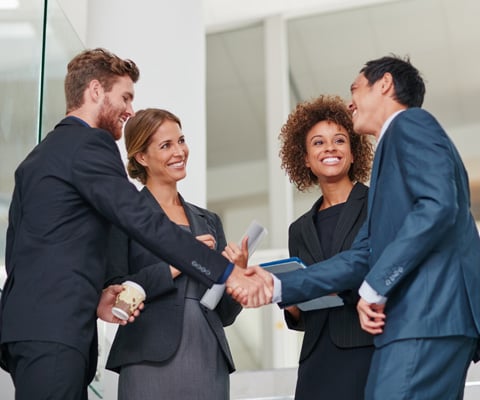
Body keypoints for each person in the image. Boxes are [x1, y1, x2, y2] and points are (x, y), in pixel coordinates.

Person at [0, 48, 270, 400]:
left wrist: (96, 297)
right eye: (125, 97)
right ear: (96, 91)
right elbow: (142, 220)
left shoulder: (40, 156)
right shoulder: (89, 144)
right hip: (57, 330)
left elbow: (21, 249)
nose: (129, 110)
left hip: (34, 328)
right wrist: (226, 272)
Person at [238, 55, 480, 400]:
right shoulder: (390, 154)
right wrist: (275, 285)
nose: (350, 101)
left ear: (384, 85)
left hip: (427, 316)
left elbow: (438, 207)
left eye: (356, 88)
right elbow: (362, 256)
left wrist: (375, 288)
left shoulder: (410, 124)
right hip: (420, 322)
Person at [104, 108, 245, 400]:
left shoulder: (208, 220)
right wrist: (181, 261)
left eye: (181, 140)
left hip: (208, 355)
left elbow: (225, 313)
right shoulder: (124, 217)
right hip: (148, 355)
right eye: (166, 145)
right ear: (142, 157)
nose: (179, 151)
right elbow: (116, 294)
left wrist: (236, 276)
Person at [278, 95, 374, 399]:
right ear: (305, 158)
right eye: (318, 142)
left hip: (367, 351)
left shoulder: (377, 204)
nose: (330, 148)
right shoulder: (299, 229)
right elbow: (304, 314)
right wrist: (292, 305)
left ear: (354, 152)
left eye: (340, 140)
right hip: (316, 360)